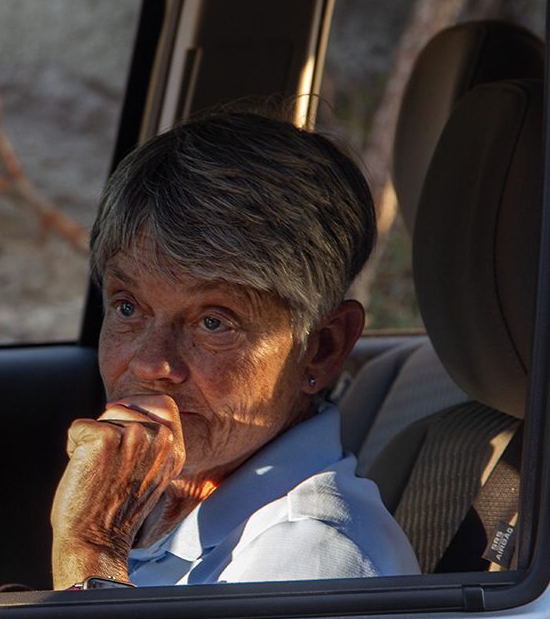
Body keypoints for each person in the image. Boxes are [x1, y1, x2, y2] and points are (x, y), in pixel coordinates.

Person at [50, 109, 419, 589]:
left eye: (213, 322)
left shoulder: (312, 556)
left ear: (320, 350)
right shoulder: (154, 498)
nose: (149, 362)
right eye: (127, 308)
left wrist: (90, 550)